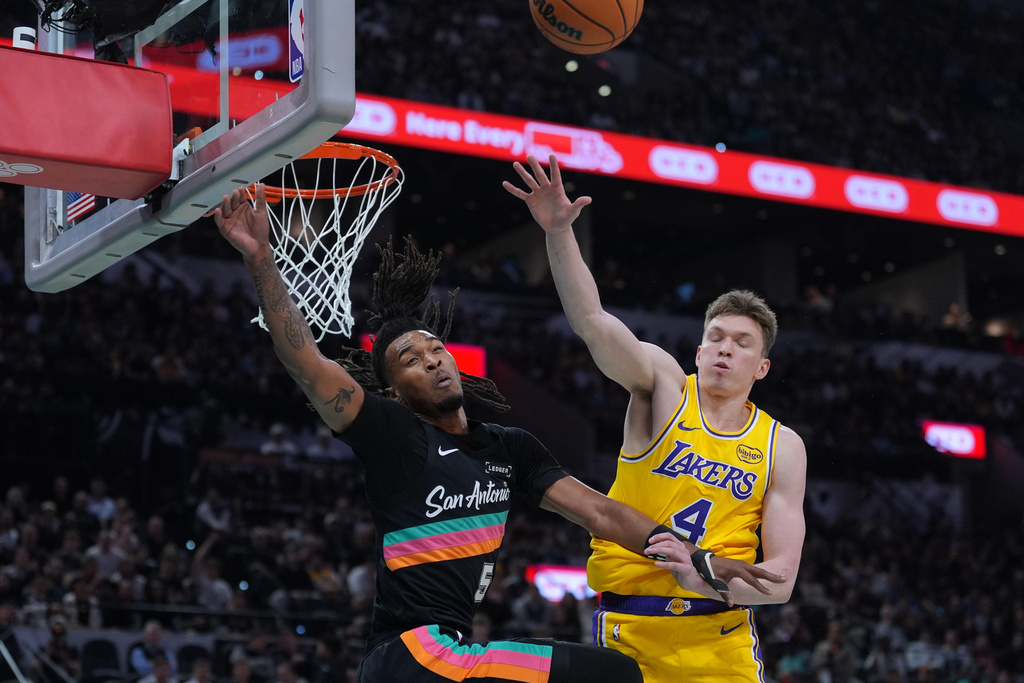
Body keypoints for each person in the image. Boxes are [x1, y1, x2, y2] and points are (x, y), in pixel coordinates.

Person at [211, 185, 779, 683]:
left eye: (436, 348)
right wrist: (262, 258)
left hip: (447, 656)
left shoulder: (509, 447)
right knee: (614, 673)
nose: (433, 360)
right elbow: (307, 365)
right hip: (411, 657)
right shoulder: (390, 432)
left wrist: (699, 558)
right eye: (411, 359)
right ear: (392, 390)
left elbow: (602, 515)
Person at [504, 154, 807, 682]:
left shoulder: (783, 445)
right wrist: (558, 234)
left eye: (741, 344)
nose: (724, 350)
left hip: (721, 637)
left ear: (761, 367)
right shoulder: (662, 386)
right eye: (715, 337)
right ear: (696, 351)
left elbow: (779, 582)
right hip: (631, 631)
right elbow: (594, 323)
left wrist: (698, 578)